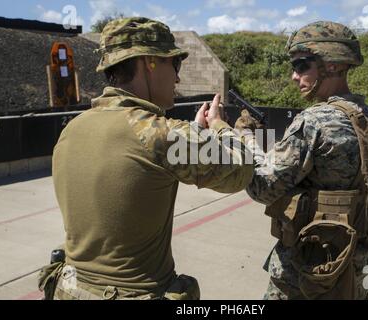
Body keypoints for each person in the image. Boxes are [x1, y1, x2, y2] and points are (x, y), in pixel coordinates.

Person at [40, 17, 254, 300]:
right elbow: (240, 170)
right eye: (174, 64)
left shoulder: (72, 129)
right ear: (148, 63)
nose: (177, 77)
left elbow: (135, 157)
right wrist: (218, 126)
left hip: (70, 290)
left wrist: (193, 133)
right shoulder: (161, 134)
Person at [235, 21, 368, 300]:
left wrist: (243, 138)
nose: (294, 75)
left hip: (304, 275)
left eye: (302, 65)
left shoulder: (314, 121)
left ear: (333, 66)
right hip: (355, 269)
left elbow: (262, 187)